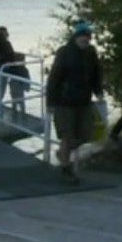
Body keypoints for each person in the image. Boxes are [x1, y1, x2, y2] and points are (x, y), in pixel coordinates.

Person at [46, 21, 104, 184]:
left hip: (84, 101)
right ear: (75, 37)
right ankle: (66, 168)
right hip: (64, 102)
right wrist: (50, 102)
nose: (85, 39)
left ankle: (62, 154)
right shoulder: (64, 52)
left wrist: (98, 91)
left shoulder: (91, 53)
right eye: (82, 36)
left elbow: (96, 74)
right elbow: (54, 79)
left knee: (87, 134)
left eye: (87, 37)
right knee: (67, 136)